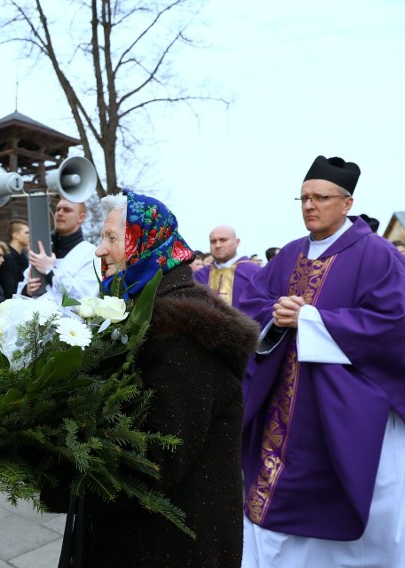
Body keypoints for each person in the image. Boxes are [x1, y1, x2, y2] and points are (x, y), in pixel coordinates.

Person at [238, 155, 405, 567]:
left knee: (366, 510)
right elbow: (252, 302)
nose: (309, 205)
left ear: (347, 202)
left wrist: (312, 319)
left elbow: (395, 327)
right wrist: (276, 313)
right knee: (277, 511)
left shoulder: (377, 255)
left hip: (352, 410)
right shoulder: (288, 254)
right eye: (303, 197)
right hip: (287, 412)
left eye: (320, 197)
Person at [46, 190, 258, 567]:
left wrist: (54, 467)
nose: (99, 251)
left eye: (111, 238)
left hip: (169, 545)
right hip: (144, 537)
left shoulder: (182, 332)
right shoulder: (140, 307)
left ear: (144, 242)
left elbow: (154, 461)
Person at [20, 198, 100, 302]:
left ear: (81, 218)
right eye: (58, 209)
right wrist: (27, 291)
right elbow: (21, 291)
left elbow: (84, 297)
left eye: (67, 210)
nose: (60, 213)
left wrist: (49, 271)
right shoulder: (43, 251)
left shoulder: (91, 253)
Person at [193, 225, 260, 308]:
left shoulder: (255, 273)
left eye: (223, 240)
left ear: (237, 242)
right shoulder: (199, 276)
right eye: (213, 241)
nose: (217, 245)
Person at [0, 219, 30, 298]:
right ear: (15, 235)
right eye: (26, 233)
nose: (30, 235)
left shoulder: (22, 256)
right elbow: (9, 290)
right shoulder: (7, 257)